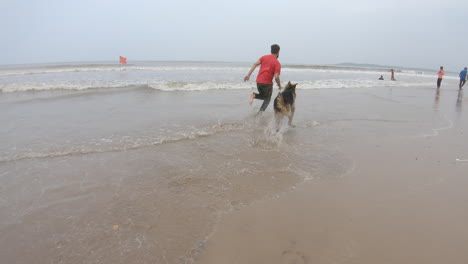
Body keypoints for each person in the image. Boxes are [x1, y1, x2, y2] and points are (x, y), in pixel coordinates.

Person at [244, 44, 282, 114]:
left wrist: (248, 75)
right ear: (278, 52)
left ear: (271, 51)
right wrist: (279, 85)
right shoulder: (277, 63)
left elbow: (255, 64)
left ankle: (254, 95)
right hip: (267, 84)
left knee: (263, 96)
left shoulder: (264, 57)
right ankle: (260, 114)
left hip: (258, 82)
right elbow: (276, 77)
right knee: (267, 99)